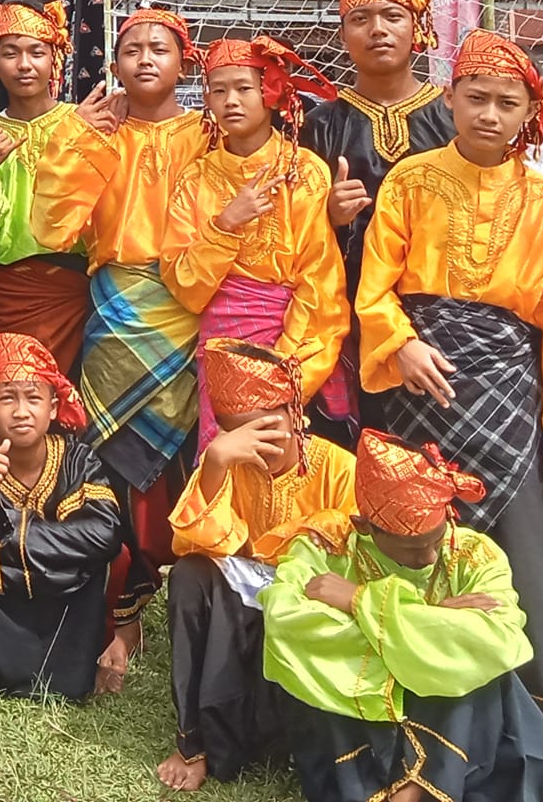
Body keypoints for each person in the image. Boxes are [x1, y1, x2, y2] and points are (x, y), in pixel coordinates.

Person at [357, 28, 543, 752]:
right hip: (418, 376)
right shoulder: (410, 179)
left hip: (506, 379)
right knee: (414, 526)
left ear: (530, 111)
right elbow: (375, 284)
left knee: (523, 534)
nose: (490, 114)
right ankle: (411, 680)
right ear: (451, 99)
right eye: (476, 97)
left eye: (507, 102)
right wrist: (399, 343)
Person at [29, 6, 210, 674]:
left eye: (159, 48)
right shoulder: (95, 132)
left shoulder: (210, 133)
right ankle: (122, 614)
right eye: (132, 49)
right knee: (112, 455)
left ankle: (190, 600)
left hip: (194, 302)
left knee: (186, 454)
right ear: (113, 65)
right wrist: (77, 139)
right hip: (116, 307)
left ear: (184, 63)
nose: (145, 59)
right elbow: (52, 226)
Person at [261, 430, 543, 802]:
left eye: (436, 540)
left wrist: (360, 602)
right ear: (364, 526)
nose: (430, 557)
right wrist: (435, 626)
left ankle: (418, 789)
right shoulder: (324, 547)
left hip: (455, 722)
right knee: (435, 653)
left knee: (470, 664)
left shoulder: (472, 553)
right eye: (413, 549)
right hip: (356, 721)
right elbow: (288, 623)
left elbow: (502, 638)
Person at [159, 338, 357, 792]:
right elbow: (189, 542)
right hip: (236, 619)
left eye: (267, 427)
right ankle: (193, 740)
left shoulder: (340, 469)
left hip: (307, 616)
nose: (259, 445)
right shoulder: (226, 464)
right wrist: (216, 461)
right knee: (190, 576)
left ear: (294, 412)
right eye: (239, 433)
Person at [161, 36, 348, 448]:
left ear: (271, 92)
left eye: (244, 88)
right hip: (221, 349)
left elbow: (320, 282)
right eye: (219, 90)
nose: (231, 101)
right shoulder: (195, 178)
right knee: (225, 457)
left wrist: (283, 367)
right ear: (206, 99)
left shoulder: (304, 172)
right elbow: (184, 286)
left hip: (290, 345)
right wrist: (225, 225)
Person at [0, 332, 122, 701]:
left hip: (68, 596)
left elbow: (104, 532)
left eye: (33, 398)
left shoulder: (77, 459)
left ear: (53, 407)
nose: (21, 411)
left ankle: (100, 649)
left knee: (118, 557)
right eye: (7, 398)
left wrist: (5, 534)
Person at [303, 0, 456, 408]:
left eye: (393, 16)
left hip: (444, 304)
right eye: (360, 19)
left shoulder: (455, 116)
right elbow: (291, 233)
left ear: (418, 26)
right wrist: (328, 216)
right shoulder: (318, 125)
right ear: (342, 34)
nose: (377, 30)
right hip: (345, 307)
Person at [0, 1, 92, 371]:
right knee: (10, 383)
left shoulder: (83, 121)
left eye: (37, 52)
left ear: (54, 59)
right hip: (8, 289)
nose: (24, 65)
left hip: (73, 284)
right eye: (10, 54)